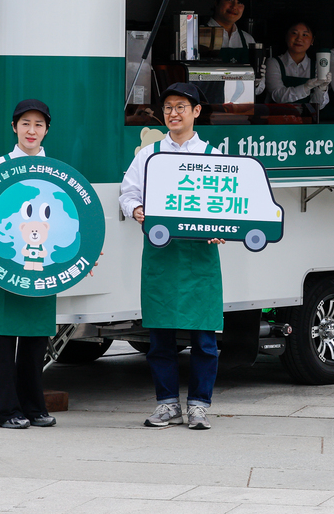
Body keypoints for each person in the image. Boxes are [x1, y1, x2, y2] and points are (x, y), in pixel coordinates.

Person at [117, 83, 225, 431]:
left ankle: (199, 406)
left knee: (204, 339)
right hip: (161, 254)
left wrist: (222, 226)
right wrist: (136, 209)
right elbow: (127, 192)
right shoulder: (149, 154)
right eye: (168, 107)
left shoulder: (212, 156)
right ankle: (167, 404)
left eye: (181, 107)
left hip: (200, 255)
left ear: (196, 112)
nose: (173, 113)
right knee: (160, 338)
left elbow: (225, 203)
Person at [0, 99, 58, 430]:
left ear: (46, 130)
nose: (31, 130)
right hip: (5, 263)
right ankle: (3, 411)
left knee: (35, 337)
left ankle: (33, 406)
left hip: (40, 264)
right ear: (14, 127)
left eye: (38, 124)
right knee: (2, 337)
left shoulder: (55, 170)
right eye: (25, 123)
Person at [264, 21, 330, 111]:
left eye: (305, 35)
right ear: (286, 37)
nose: (299, 39)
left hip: (306, 118)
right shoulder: (274, 63)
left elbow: (318, 106)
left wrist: (322, 88)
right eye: (294, 33)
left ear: (312, 40)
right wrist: (305, 87)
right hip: (277, 117)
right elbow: (278, 96)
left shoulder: (316, 66)